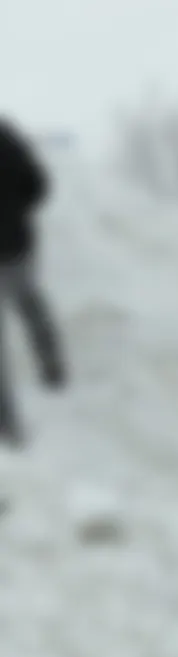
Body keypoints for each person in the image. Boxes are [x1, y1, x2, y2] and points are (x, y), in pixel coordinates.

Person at [0, 118, 65, 447]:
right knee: (30, 304)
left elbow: (38, 185)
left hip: (13, 243)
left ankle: (8, 426)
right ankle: (52, 366)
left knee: (28, 304)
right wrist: (18, 212)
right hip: (17, 243)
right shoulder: (8, 139)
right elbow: (37, 184)